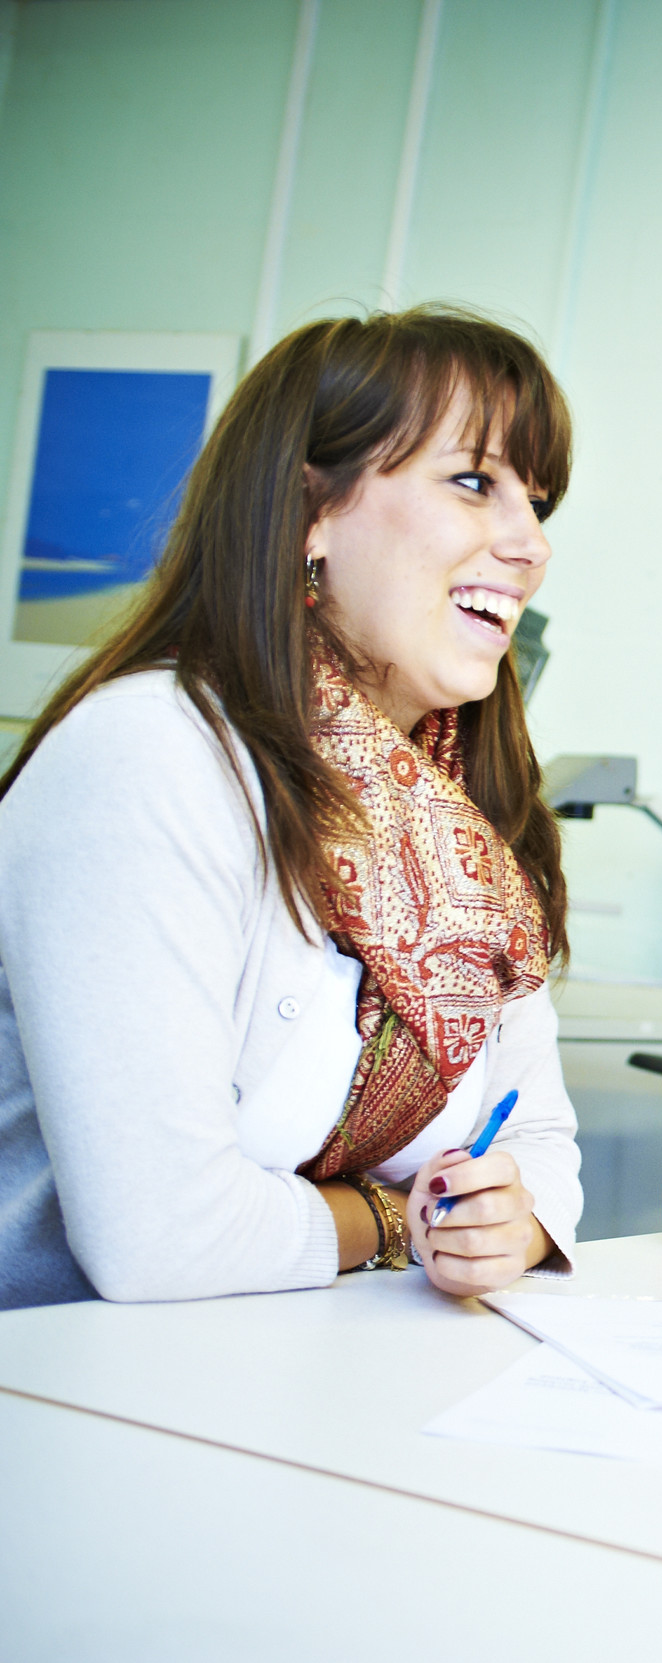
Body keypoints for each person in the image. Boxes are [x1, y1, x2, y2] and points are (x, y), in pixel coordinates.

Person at [0, 306, 584, 1311]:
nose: (530, 546)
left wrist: (510, 1219)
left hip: (299, 1382)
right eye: (475, 482)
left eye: (537, 501)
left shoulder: (463, 828)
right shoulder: (150, 757)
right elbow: (165, 1240)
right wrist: (394, 1218)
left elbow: (542, 1145)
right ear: (312, 512)